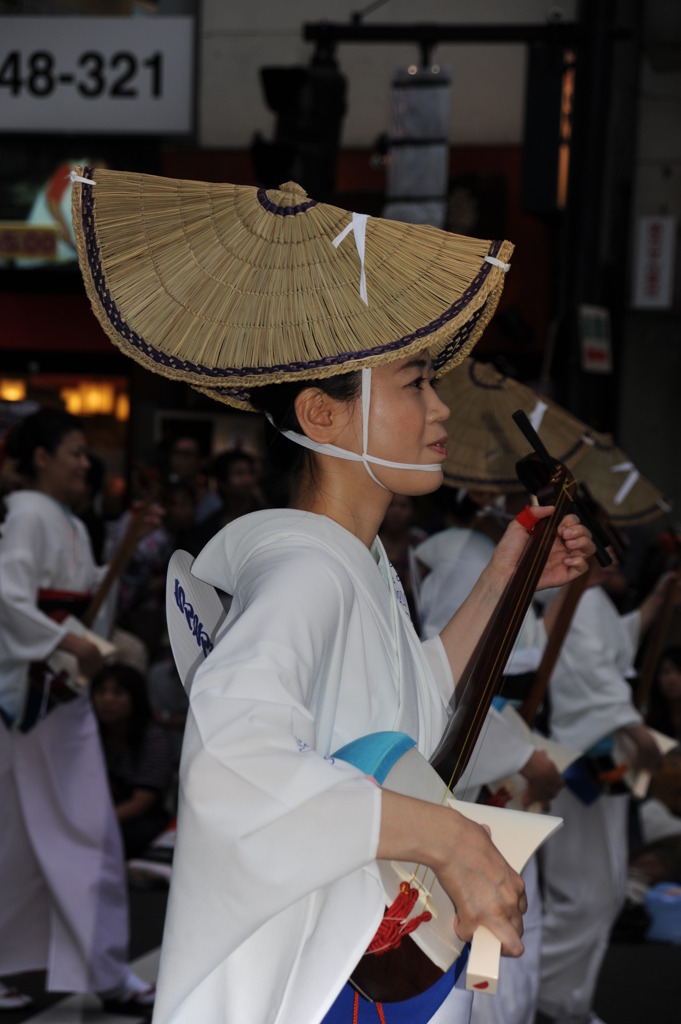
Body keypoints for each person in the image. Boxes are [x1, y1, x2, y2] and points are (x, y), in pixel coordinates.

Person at [70, 169, 594, 1024]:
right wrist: (452, 837)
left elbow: (411, 716)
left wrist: (509, 570)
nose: (438, 410)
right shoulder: (308, 571)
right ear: (320, 414)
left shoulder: (351, 562)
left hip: (352, 955)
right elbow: (236, 761)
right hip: (319, 974)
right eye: (414, 383)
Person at [0, 407, 156, 1015]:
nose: (85, 463)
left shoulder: (60, 519)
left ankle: (100, 965)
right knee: (74, 828)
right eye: (73, 451)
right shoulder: (28, 514)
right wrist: (69, 642)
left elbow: (89, 595)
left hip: (48, 695)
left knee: (26, 833)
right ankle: (106, 968)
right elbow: (8, 597)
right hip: (34, 692)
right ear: (40, 457)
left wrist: (126, 546)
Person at [536, 554, 670, 1024]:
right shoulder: (579, 598)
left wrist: (657, 600)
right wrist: (634, 728)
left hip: (600, 757)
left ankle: (565, 1002)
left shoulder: (592, 602)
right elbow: (590, 672)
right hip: (578, 761)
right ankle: (545, 996)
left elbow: (613, 648)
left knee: (607, 892)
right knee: (584, 894)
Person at [90, 661, 175, 859]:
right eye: (101, 692)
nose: (107, 700)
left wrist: (95, 824)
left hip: (136, 820)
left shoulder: (153, 737)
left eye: (117, 693)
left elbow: (141, 802)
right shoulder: (88, 733)